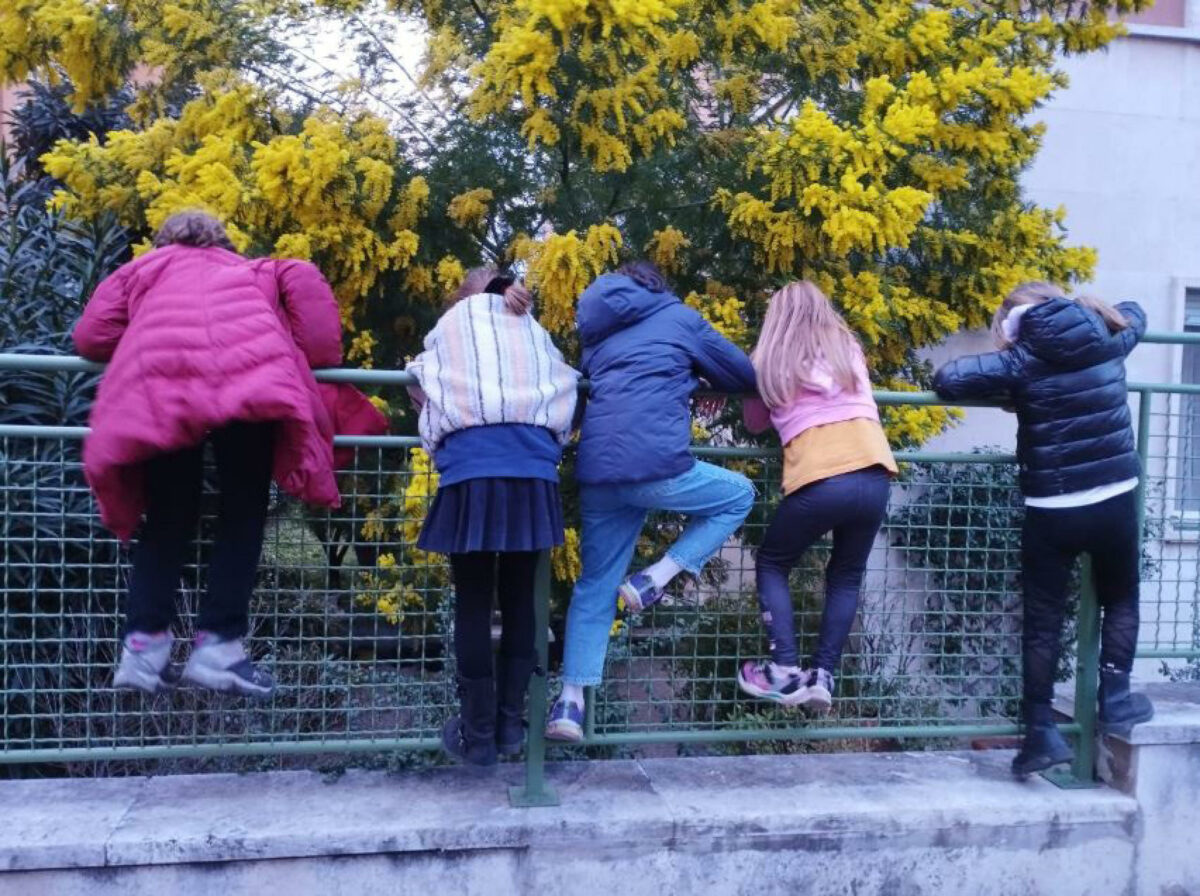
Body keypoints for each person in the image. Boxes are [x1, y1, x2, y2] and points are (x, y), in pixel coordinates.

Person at [74, 210, 382, 698]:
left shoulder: (141, 270)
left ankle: (143, 648)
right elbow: (321, 344)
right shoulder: (256, 269)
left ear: (163, 240)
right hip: (252, 379)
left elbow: (91, 338)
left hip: (166, 379)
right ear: (223, 241)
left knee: (169, 513)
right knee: (243, 511)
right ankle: (219, 647)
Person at [933, 281, 1153, 778]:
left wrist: (1010, 371)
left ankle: (1039, 732)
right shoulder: (1107, 335)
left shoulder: (1022, 360)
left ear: (1013, 321)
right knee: (1121, 598)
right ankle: (1115, 699)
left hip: (1053, 506)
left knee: (1044, 620)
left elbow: (947, 379)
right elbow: (1136, 310)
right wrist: (1097, 310)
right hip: (1116, 495)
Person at [545, 260, 757, 742]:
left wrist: (694, 379)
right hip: (658, 466)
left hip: (599, 472)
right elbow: (745, 373)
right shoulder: (680, 317)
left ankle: (570, 703)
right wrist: (707, 381)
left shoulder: (598, 338)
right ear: (657, 286)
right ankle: (654, 580)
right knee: (738, 495)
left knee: (595, 584)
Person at [406, 267, 579, 768]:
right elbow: (565, 387)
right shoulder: (534, 330)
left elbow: (422, 381)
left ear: (465, 294)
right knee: (522, 601)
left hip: (471, 471)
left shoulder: (450, 326)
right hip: (531, 470)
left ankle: (477, 734)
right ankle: (509, 726)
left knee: (474, 604)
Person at [736, 281, 898, 711]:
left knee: (772, 562)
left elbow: (754, 422)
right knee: (845, 575)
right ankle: (822, 675)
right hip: (875, 472)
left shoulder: (768, 358)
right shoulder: (847, 346)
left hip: (819, 476)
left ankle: (785, 669)